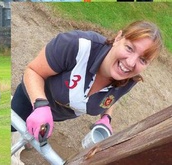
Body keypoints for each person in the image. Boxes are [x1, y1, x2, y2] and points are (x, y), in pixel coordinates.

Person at [11, 20, 163, 146]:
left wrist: (106, 118)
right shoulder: (76, 45)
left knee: (31, 136)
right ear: (118, 38)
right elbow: (33, 71)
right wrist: (40, 105)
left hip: (55, 115)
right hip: (29, 100)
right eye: (129, 48)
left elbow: (112, 97)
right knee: (11, 128)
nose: (130, 63)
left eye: (143, 60)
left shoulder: (129, 79)